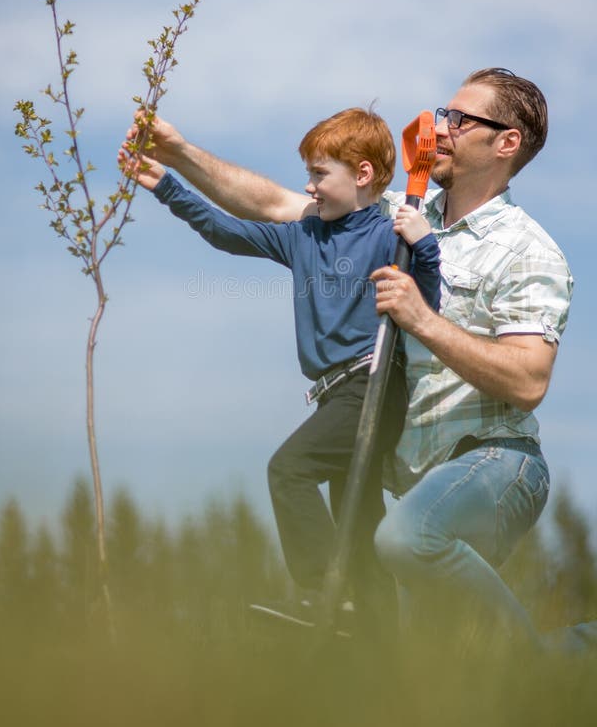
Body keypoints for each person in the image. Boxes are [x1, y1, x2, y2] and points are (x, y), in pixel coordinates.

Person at [122, 67, 575, 650]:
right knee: (428, 665)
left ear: (506, 142)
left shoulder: (529, 250)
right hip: (415, 475)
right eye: (442, 113)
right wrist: (178, 155)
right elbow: (270, 204)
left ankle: (534, 665)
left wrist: (422, 319)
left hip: (496, 460)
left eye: (459, 119)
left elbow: (529, 381)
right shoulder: (388, 216)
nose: (440, 127)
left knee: (402, 539)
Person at [119, 107, 441, 633]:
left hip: (375, 386)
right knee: (358, 522)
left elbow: (427, 302)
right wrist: (166, 187)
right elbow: (226, 232)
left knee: (288, 470)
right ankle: (378, 640)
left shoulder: (390, 235)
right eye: (309, 174)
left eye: (320, 174)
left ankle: (322, 589)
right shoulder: (304, 236)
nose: (309, 187)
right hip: (335, 393)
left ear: (362, 175)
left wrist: (423, 244)